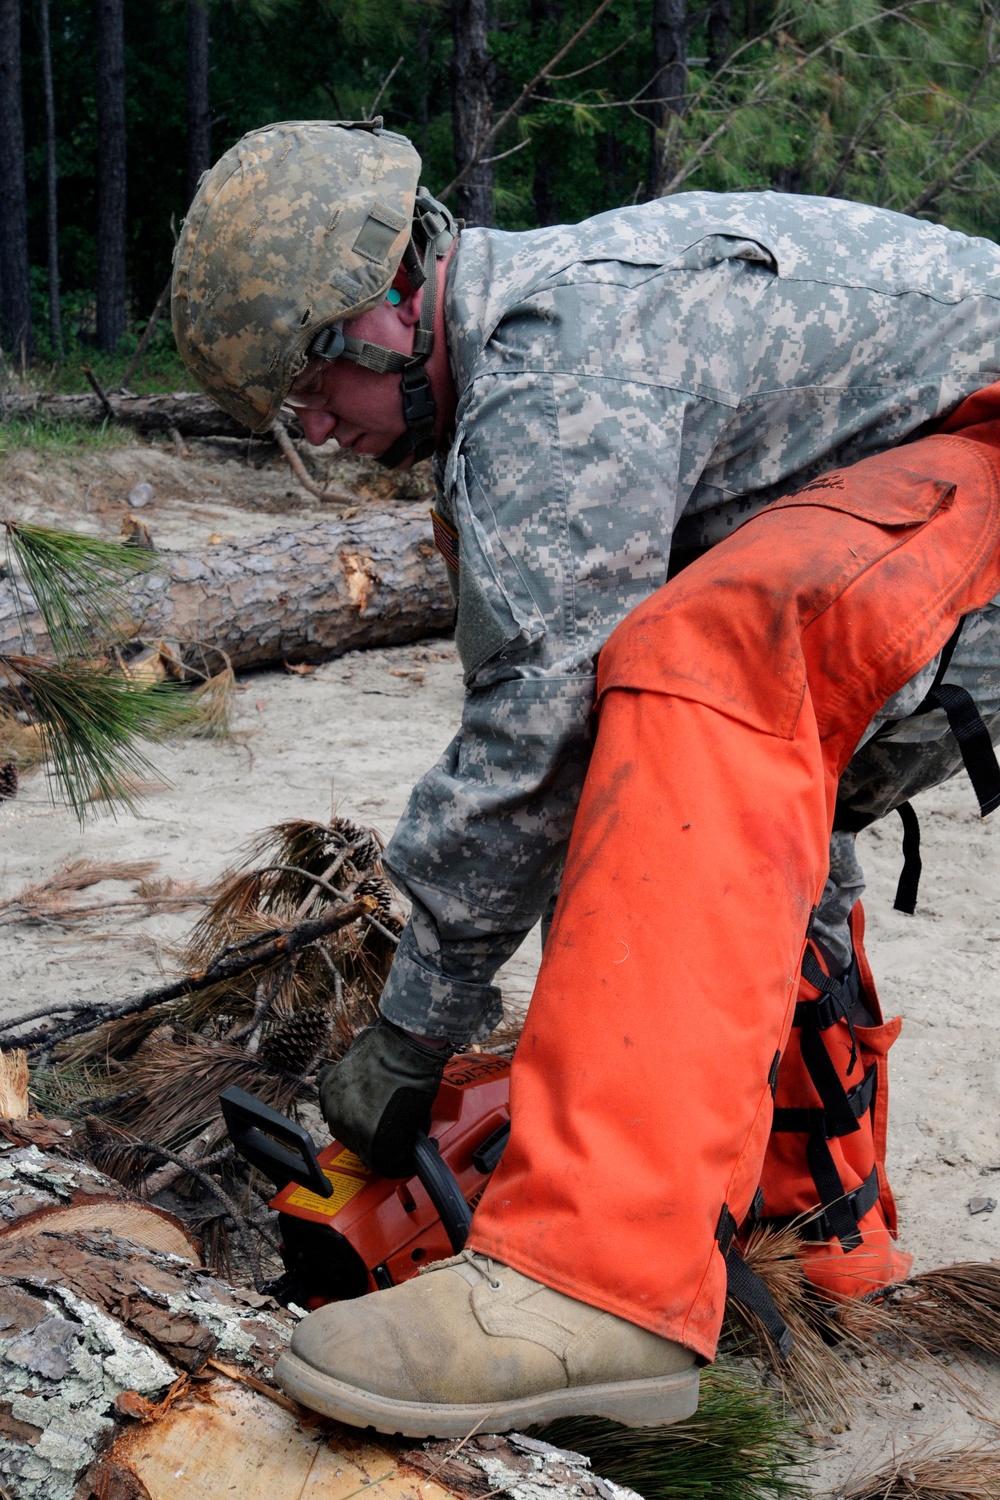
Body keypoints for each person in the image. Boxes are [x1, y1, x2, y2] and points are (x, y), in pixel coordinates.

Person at [172, 117, 1000, 1437]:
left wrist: (413, 1032)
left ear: (393, 292)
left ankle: (593, 1277)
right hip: (954, 451)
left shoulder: (561, 383)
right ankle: (825, 1246)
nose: (318, 428)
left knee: (698, 673)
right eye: (288, 414)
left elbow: (532, 744)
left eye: (312, 384)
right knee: (744, 779)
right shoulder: (542, 353)